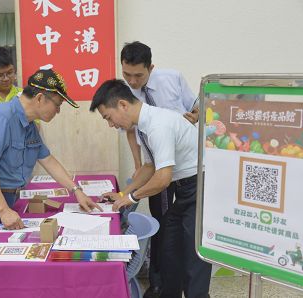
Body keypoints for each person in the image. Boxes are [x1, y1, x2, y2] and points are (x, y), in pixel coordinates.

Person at [0, 68, 102, 297]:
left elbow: (48, 160)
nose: (59, 111)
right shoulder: (1, 117)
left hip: (7, 198)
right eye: (58, 104)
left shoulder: (29, 125)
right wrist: (3, 210)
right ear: (41, 97)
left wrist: (77, 191)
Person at [90, 79, 211, 298]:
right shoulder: (143, 125)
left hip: (200, 188)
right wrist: (121, 194)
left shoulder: (158, 125)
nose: (111, 124)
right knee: (169, 250)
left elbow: (163, 179)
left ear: (122, 105)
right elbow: (150, 167)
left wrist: (132, 197)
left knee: (194, 260)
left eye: (108, 117)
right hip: (185, 190)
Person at [121, 41, 199, 297]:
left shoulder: (172, 78)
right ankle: (160, 283)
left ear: (151, 68)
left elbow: (196, 104)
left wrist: (195, 115)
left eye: (138, 75)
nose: (132, 81)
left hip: (183, 169)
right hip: (157, 169)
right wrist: (138, 170)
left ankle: (180, 285)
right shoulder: (124, 94)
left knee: (185, 235)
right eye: (126, 74)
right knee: (162, 225)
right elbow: (131, 134)